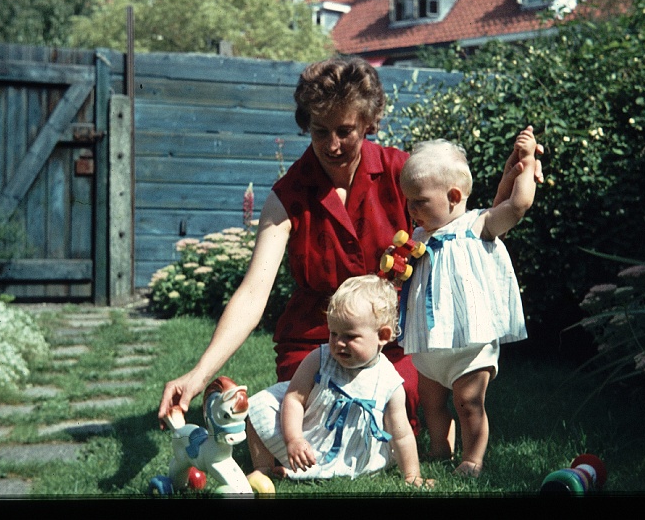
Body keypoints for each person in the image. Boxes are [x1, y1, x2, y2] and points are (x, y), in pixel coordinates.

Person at [157, 56, 542, 435]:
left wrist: (517, 177)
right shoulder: (288, 195)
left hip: (392, 338)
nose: (333, 145)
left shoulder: (403, 175)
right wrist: (198, 374)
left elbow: (464, 226)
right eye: (319, 131)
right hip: (318, 340)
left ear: (369, 123)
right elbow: (254, 293)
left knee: (400, 399)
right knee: (309, 415)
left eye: (345, 130)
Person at [396, 128, 538, 477]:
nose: (411, 209)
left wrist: (529, 161)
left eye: (419, 201)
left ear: (454, 196)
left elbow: (516, 205)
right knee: (431, 403)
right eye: (409, 201)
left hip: (470, 342)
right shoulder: (418, 237)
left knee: (468, 402)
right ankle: (439, 448)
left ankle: (472, 459)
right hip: (431, 341)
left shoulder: (479, 225)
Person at [245, 274, 433, 486]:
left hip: (353, 452)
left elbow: (401, 435)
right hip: (308, 436)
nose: (338, 343)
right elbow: (294, 399)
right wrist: (294, 439)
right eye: (333, 333)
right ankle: (264, 467)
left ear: (382, 335)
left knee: (363, 460)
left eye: (349, 336)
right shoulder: (320, 359)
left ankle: (305, 471)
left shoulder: (389, 382)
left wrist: (412, 474)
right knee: (258, 407)